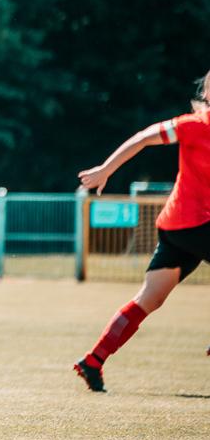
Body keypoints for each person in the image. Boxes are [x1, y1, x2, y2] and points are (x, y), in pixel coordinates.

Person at [74, 72, 210, 392]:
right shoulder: (195, 125)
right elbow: (144, 137)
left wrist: (105, 170)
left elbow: (143, 137)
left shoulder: (194, 125)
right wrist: (104, 170)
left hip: (176, 227)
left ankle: (93, 360)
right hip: (197, 224)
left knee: (149, 298)